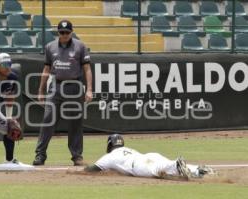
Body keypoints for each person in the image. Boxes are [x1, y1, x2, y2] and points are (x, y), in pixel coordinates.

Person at [33, 20, 92, 166]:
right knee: (48, 120)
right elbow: (46, 69)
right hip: (56, 86)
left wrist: (89, 89)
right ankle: (40, 155)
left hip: (75, 87)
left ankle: (77, 156)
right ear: (58, 32)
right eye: (61, 32)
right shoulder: (50, 47)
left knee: (75, 123)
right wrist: (41, 90)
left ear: (71, 32)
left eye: (67, 32)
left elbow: (87, 69)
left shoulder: (80, 46)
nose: (64, 35)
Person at [84, 134, 215, 180]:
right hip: (149, 156)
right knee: (163, 166)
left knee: (158, 170)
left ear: (109, 145)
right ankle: (198, 170)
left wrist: (80, 170)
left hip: (139, 165)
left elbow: (92, 169)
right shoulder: (128, 150)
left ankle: (176, 164)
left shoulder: (110, 156)